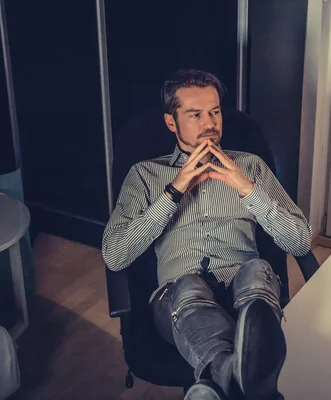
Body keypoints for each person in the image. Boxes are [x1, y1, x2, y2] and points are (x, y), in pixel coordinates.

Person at [102, 69, 313, 400]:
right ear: (172, 122)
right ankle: (246, 376)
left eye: (214, 112)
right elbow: (115, 256)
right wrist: (174, 191)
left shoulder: (251, 165)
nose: (210, 123)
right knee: (188, 285)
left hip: (247, 293)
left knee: (257, 270)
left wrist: (246, 188)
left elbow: (300, 241)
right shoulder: (145, 174)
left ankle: (220, 378)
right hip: (178, 300)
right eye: (195, 114)